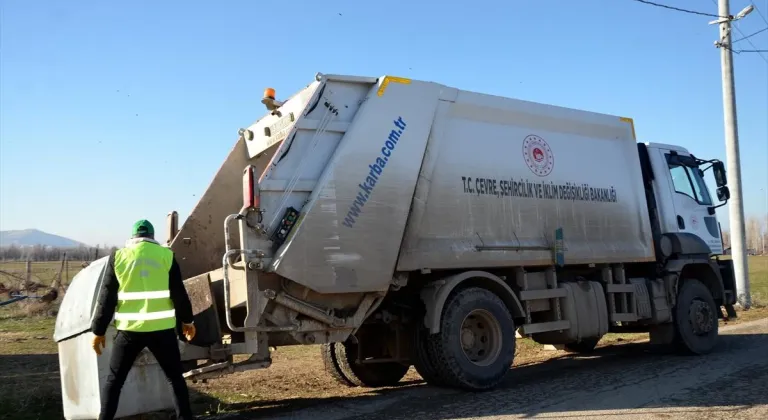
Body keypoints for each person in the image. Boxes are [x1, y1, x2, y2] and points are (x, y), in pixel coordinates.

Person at [91, 219, 197, 420]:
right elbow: (179, 294)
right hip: (162, 331)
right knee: (175, 379)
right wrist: (188, 320)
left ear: (133, 237)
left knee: (114, 381)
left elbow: (106, 297)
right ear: (152, 237)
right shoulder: (166, 256)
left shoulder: (118, 257)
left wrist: (98, 330)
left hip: (129, 332)